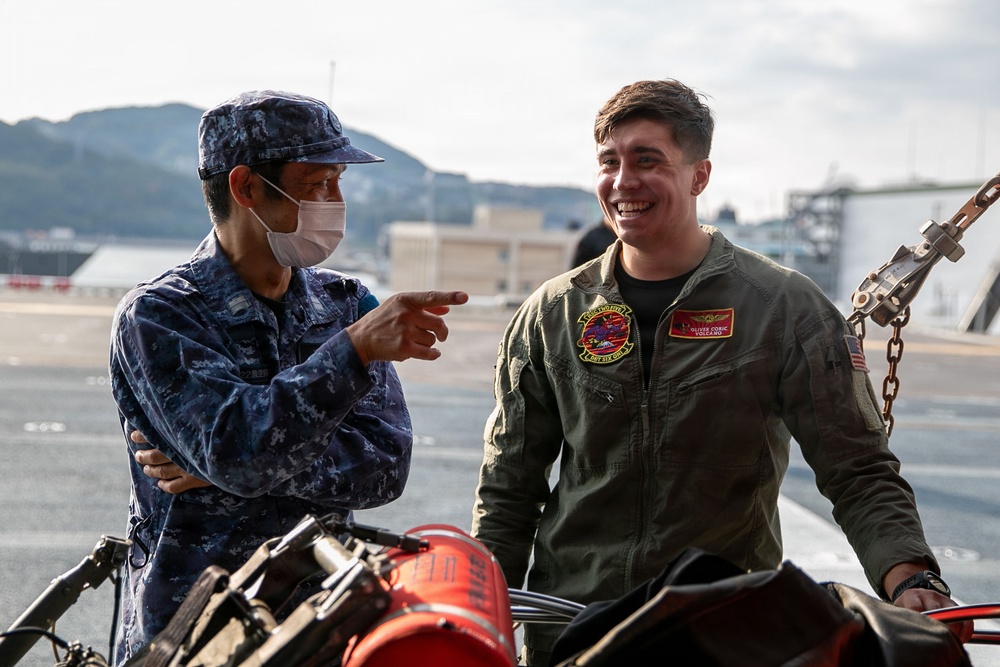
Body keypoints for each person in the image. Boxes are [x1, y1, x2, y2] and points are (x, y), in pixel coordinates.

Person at [471, 79, 970, 665]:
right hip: (575, 629)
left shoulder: (784, 309)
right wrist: (479, 615)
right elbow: (509, 486)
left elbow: (857, 469)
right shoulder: (551, 314)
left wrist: (911, 579)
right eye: (609, 162)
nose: (623, 181)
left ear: (699, 176)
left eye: (647, 160)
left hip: (720, 629)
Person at [109, 90, 468, 664]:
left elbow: (384, 467)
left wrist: (224, 471)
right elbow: (239, 454)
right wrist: (349, 356)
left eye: (337, 183)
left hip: (322, 626)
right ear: (246, 187)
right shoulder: (161, 315)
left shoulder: (346, 305)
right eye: (315, 183)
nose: (335, 201)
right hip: (195, 633)